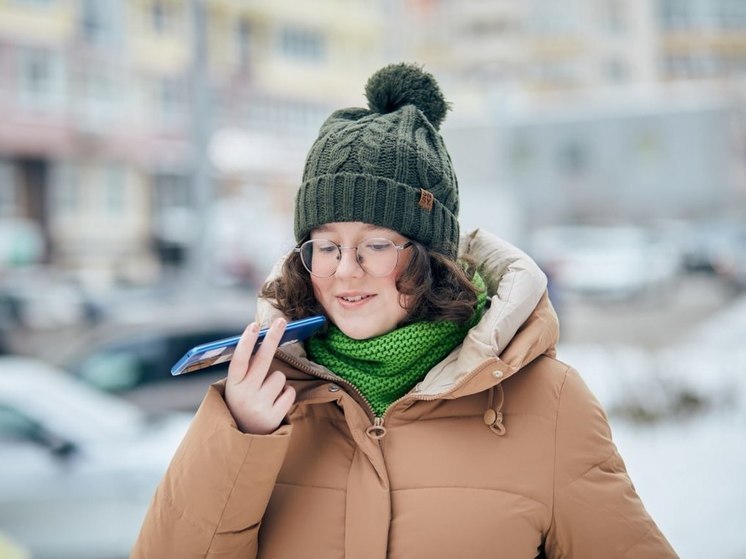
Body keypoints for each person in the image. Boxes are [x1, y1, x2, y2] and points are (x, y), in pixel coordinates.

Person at [132, 63, 677, 558]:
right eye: (326, 246)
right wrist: (240, 436)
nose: (346, 270)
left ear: (430, 258)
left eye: (375, 244)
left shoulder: (549, 402)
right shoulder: (266, 405)